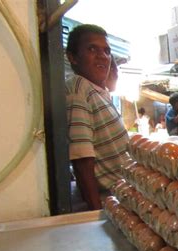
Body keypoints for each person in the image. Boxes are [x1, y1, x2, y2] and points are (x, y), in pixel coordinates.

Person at [66, 24, 129, 210]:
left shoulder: (98, 91)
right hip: (109, 203)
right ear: (73, 57)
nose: (103, 56)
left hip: (123, 198)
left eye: (107, 51)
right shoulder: (79, 89)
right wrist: (96, 212)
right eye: (92, 49)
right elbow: (82, 158)